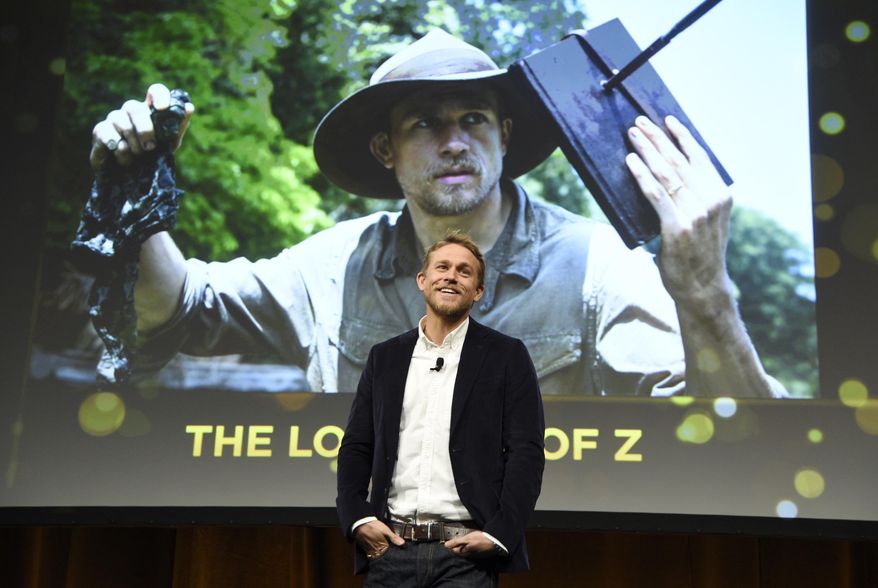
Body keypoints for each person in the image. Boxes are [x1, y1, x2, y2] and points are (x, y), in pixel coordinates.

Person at [89, 29, 785, 398]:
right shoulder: (331, 266)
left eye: (474, 118)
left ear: (504, 138)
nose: (454, 141)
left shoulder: (596, 266)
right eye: (425, 122)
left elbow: (730, 438)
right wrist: (134, 184)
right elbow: (176, 307)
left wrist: (705, 294)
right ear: (385, 150)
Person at [335, 231, 544, 584]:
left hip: (466, 555)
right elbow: (357, 445)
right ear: (423, 280)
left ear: (478, 291)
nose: (451, 276)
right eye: (442, 267)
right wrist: (357, 518)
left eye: (464, 271)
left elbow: (526, 452)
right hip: (391, 550)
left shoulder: (507, 356)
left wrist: (499, 533)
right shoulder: (385, 357)